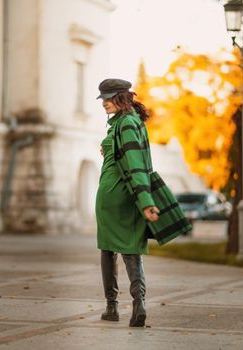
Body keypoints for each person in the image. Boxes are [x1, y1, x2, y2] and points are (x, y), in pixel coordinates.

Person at [95, 78, 160, 328]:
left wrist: (145, 201)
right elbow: (131, 160)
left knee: (109, 250)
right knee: (130, 249)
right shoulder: (127, 123)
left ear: (123, 98)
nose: (104, 103)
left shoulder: (126, 124)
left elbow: (136, 165)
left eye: (109, 98)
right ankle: (138, 304)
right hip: (118, 195)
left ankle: (112, 307)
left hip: (116, 195)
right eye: (102, 98)